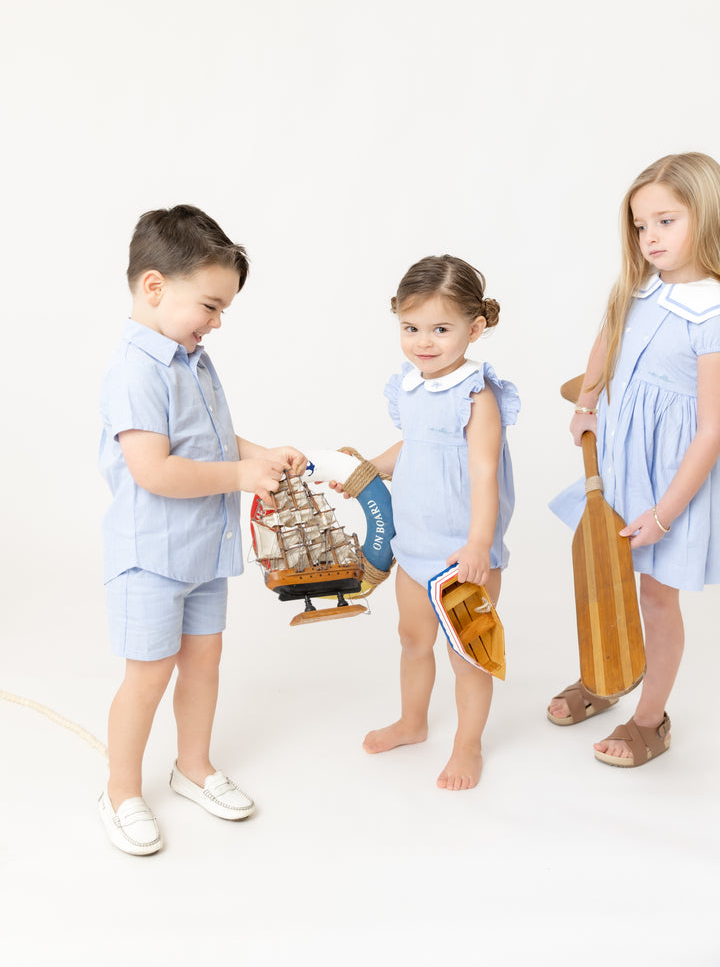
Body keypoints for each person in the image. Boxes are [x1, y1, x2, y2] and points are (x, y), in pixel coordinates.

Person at [98, 205, 306, 854]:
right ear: (155, 287)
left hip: (202, 551)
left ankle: (193, 766)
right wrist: (241, 476)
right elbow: (155, 470)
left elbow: (210, 439)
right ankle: (121, 790)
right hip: (154, 556)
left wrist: (259, 454)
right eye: (210, 306)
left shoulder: (190, 355)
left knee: (204, 662)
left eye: (222, 311)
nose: (216, 323)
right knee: (149, 674)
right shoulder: (136, 369)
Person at [547, 152, 720, 766]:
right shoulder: (640, 288)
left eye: (667, 221)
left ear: (708, 214)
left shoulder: (713, 313)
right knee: (606, 577)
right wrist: (588, 400)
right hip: (621, 463)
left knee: (655, 596)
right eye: (641, 225)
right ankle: (606, 675)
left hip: (671, 481)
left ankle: (651, 719)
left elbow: (710, 431)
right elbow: (606, 339)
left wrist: (667, 513)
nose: (650, 237)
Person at [334, 255, 519, 790]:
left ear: (474, 328)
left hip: (464, 554)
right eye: (411, 328)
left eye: (441, 329)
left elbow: (484, 473)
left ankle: (467, 745)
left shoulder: (477, 395)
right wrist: (365, 469)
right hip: (413, 548)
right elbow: (413, 449)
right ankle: (413, 722)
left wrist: (479, 545)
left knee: (468, 657)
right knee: (413, 640)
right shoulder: (412, 385)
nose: (424, 342)